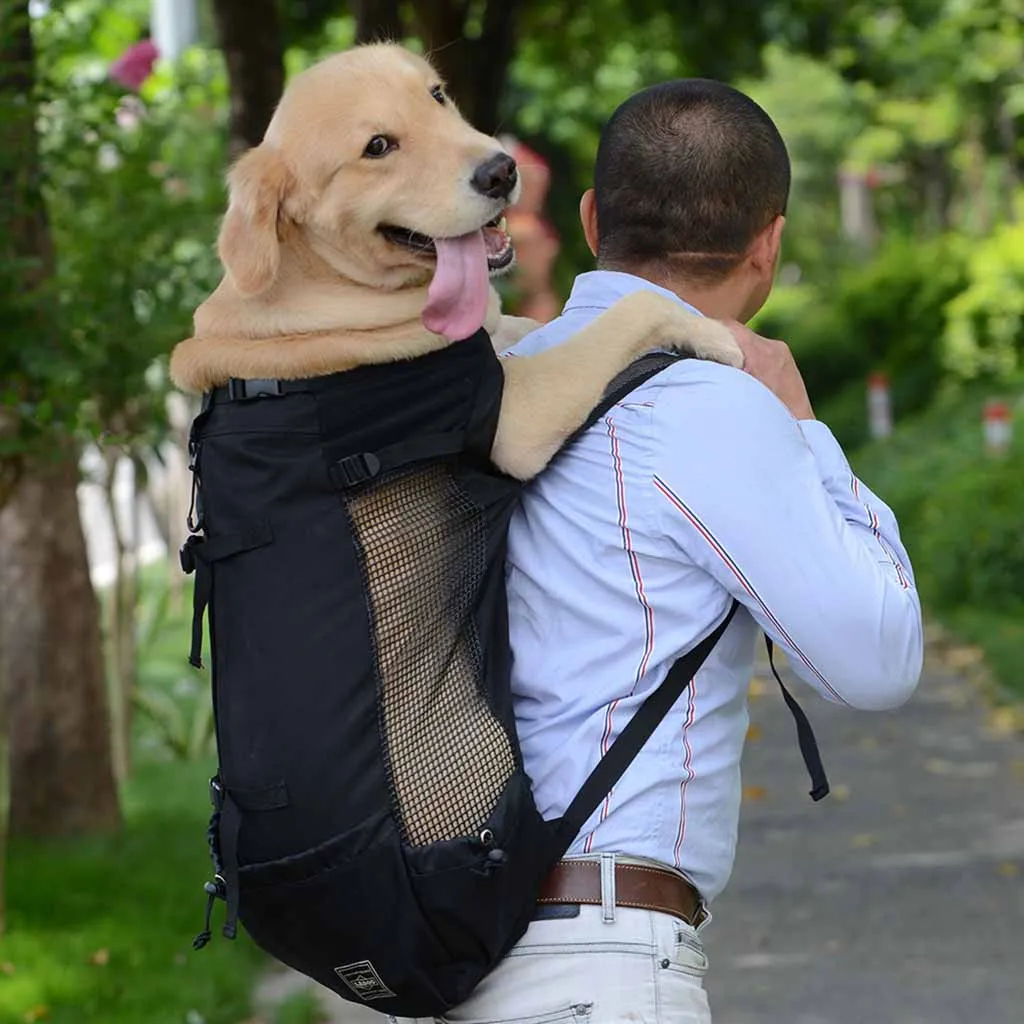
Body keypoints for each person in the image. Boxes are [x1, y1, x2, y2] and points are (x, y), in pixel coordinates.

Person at [448, 80, 924, 1023]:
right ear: (770, 243)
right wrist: (803, 427)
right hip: (595, 964)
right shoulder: (705, 408)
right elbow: (877, 659)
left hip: (462, 935)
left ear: (590, 219)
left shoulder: (507, 375)